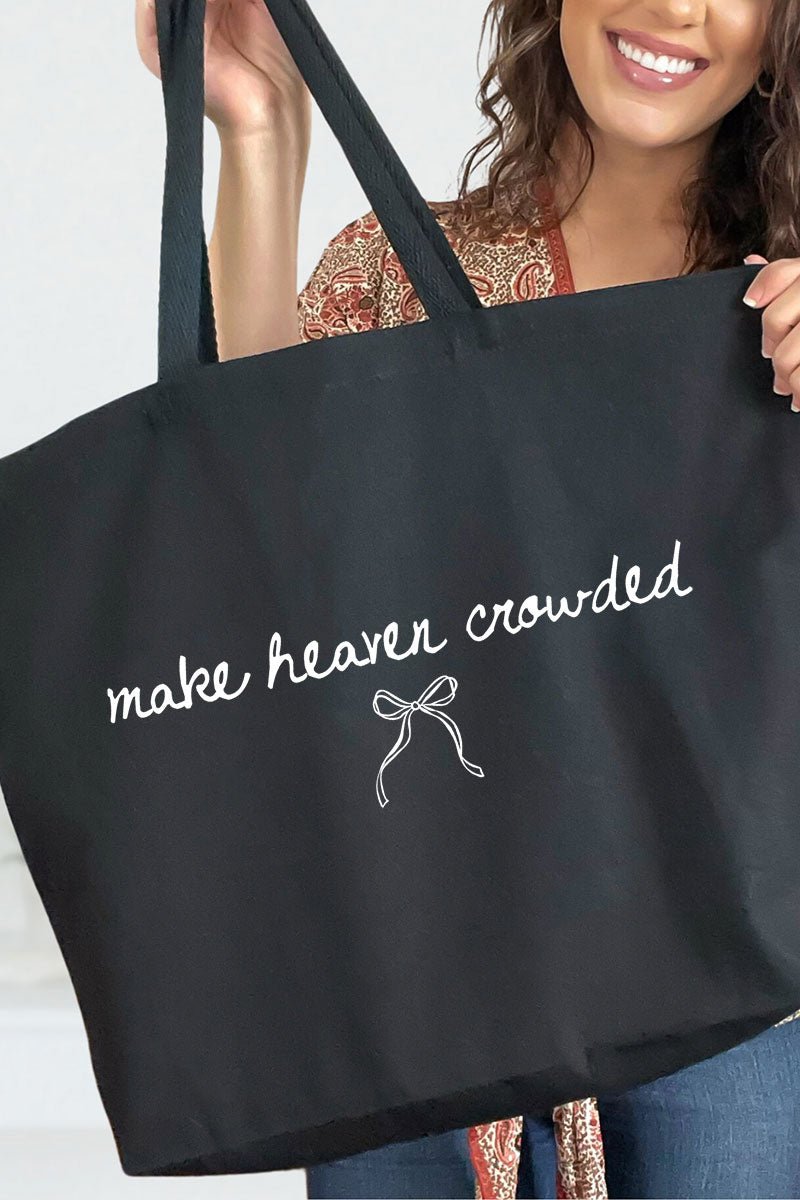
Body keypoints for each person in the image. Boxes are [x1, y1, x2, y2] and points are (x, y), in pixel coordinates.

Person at [136, 0, 800, 1194]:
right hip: (414, 988)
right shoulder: (394, 275)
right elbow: (266, 543)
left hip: (738, 987)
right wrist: (261, 130)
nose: (674, 8)